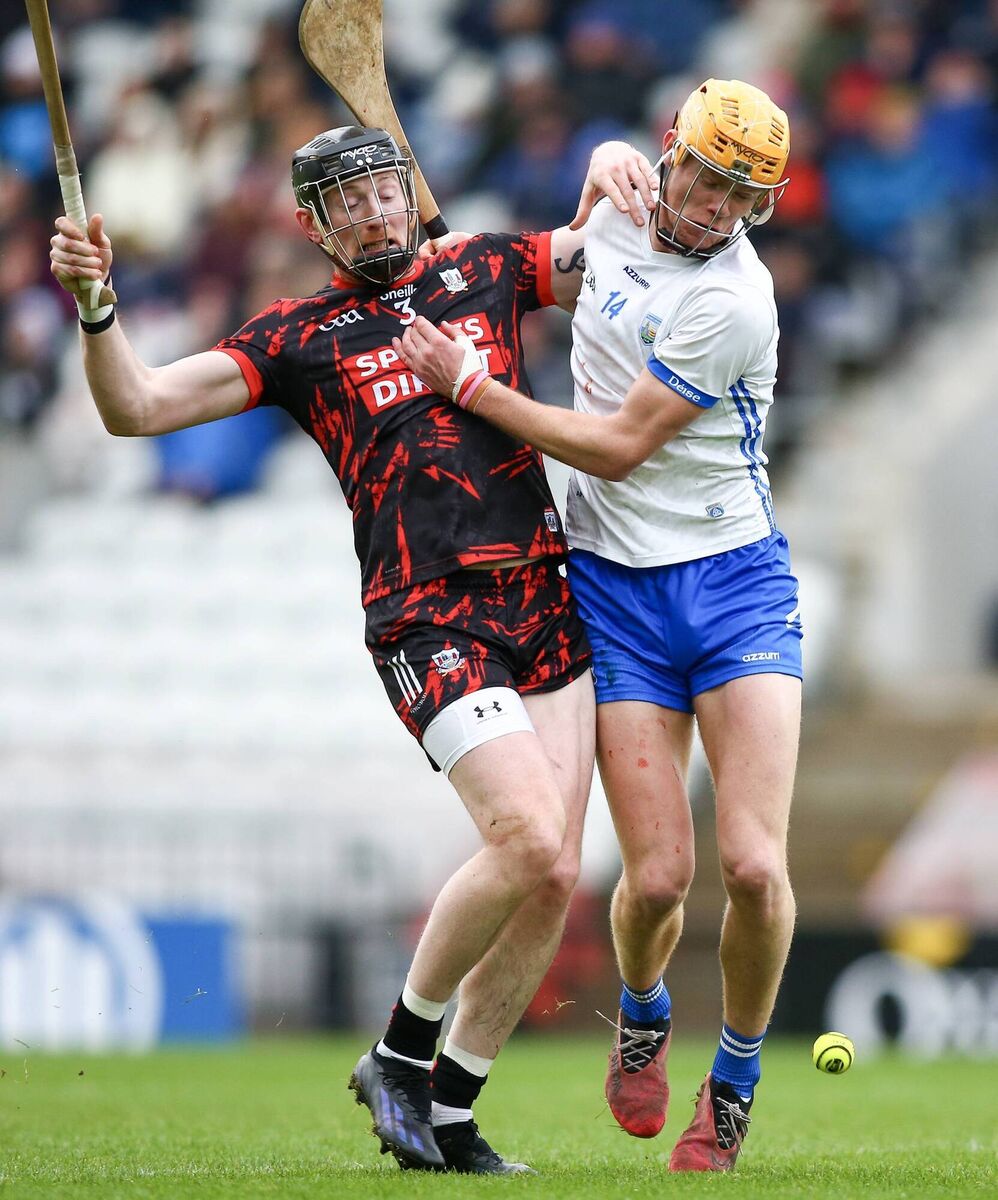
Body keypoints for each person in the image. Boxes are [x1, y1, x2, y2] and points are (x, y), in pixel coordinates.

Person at [48, 125, 655, 1175]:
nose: (373, 215)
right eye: (349, 204)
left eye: (384, 193)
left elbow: (624, 249)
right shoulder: (298, 337)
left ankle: (453, 1113)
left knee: (556, 874)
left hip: (543, 600)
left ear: (408, 193)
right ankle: (396, 1053)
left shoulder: (485, 266)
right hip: (428, 621)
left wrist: (606, 158)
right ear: (311, 225)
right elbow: (134, 407)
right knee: (524, 840)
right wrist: (98, 304)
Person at [395, 78, 801, 1173]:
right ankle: (640, 1007)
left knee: (754, 867)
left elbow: (618, 448)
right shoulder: (619, 198)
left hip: (730, 583)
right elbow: (562, 250)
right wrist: (600, 156)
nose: (714, 208)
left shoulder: (735, 302)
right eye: (704, 177)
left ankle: (733, 1081)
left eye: (740, 194)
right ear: (668, 156)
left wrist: (473, 388)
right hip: (613, 587)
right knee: (657, 877)